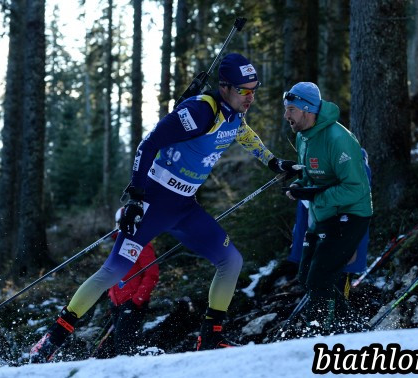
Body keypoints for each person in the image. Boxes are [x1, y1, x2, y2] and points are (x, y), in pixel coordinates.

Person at [30, 52, 299, 362]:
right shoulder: (199, 112)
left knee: (231, 261)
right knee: (111, 272)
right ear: (224, 86)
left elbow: (244, 134)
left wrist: (274, 162)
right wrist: (135, 197)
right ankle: (52, 340)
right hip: (154, 204)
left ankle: (210, 340)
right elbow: (149, 144)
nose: (250, 97)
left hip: (185, 207)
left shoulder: (234, 114)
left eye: (254, 89)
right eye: (244, 90)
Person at [282, 82, 373, 335]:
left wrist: (317, 195)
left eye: (291, 109)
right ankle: (353, 329)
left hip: (352, 214)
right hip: (324, 213)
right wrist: (299, 186)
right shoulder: (303, 137)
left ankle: (320, 332)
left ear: (307, 110)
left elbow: (357, 188)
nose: (286, 115)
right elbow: (310, 176)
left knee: (320, 277)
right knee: (305, 276)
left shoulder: (338, 139)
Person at [98, 208, 159, 357]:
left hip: (132, 302)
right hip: (117, 303)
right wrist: (111, 296)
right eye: (121, 223)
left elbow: (152, 274)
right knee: (115, 344)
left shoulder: (143, 244)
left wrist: (137, 299)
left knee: (124, 343)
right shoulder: (117, 243)